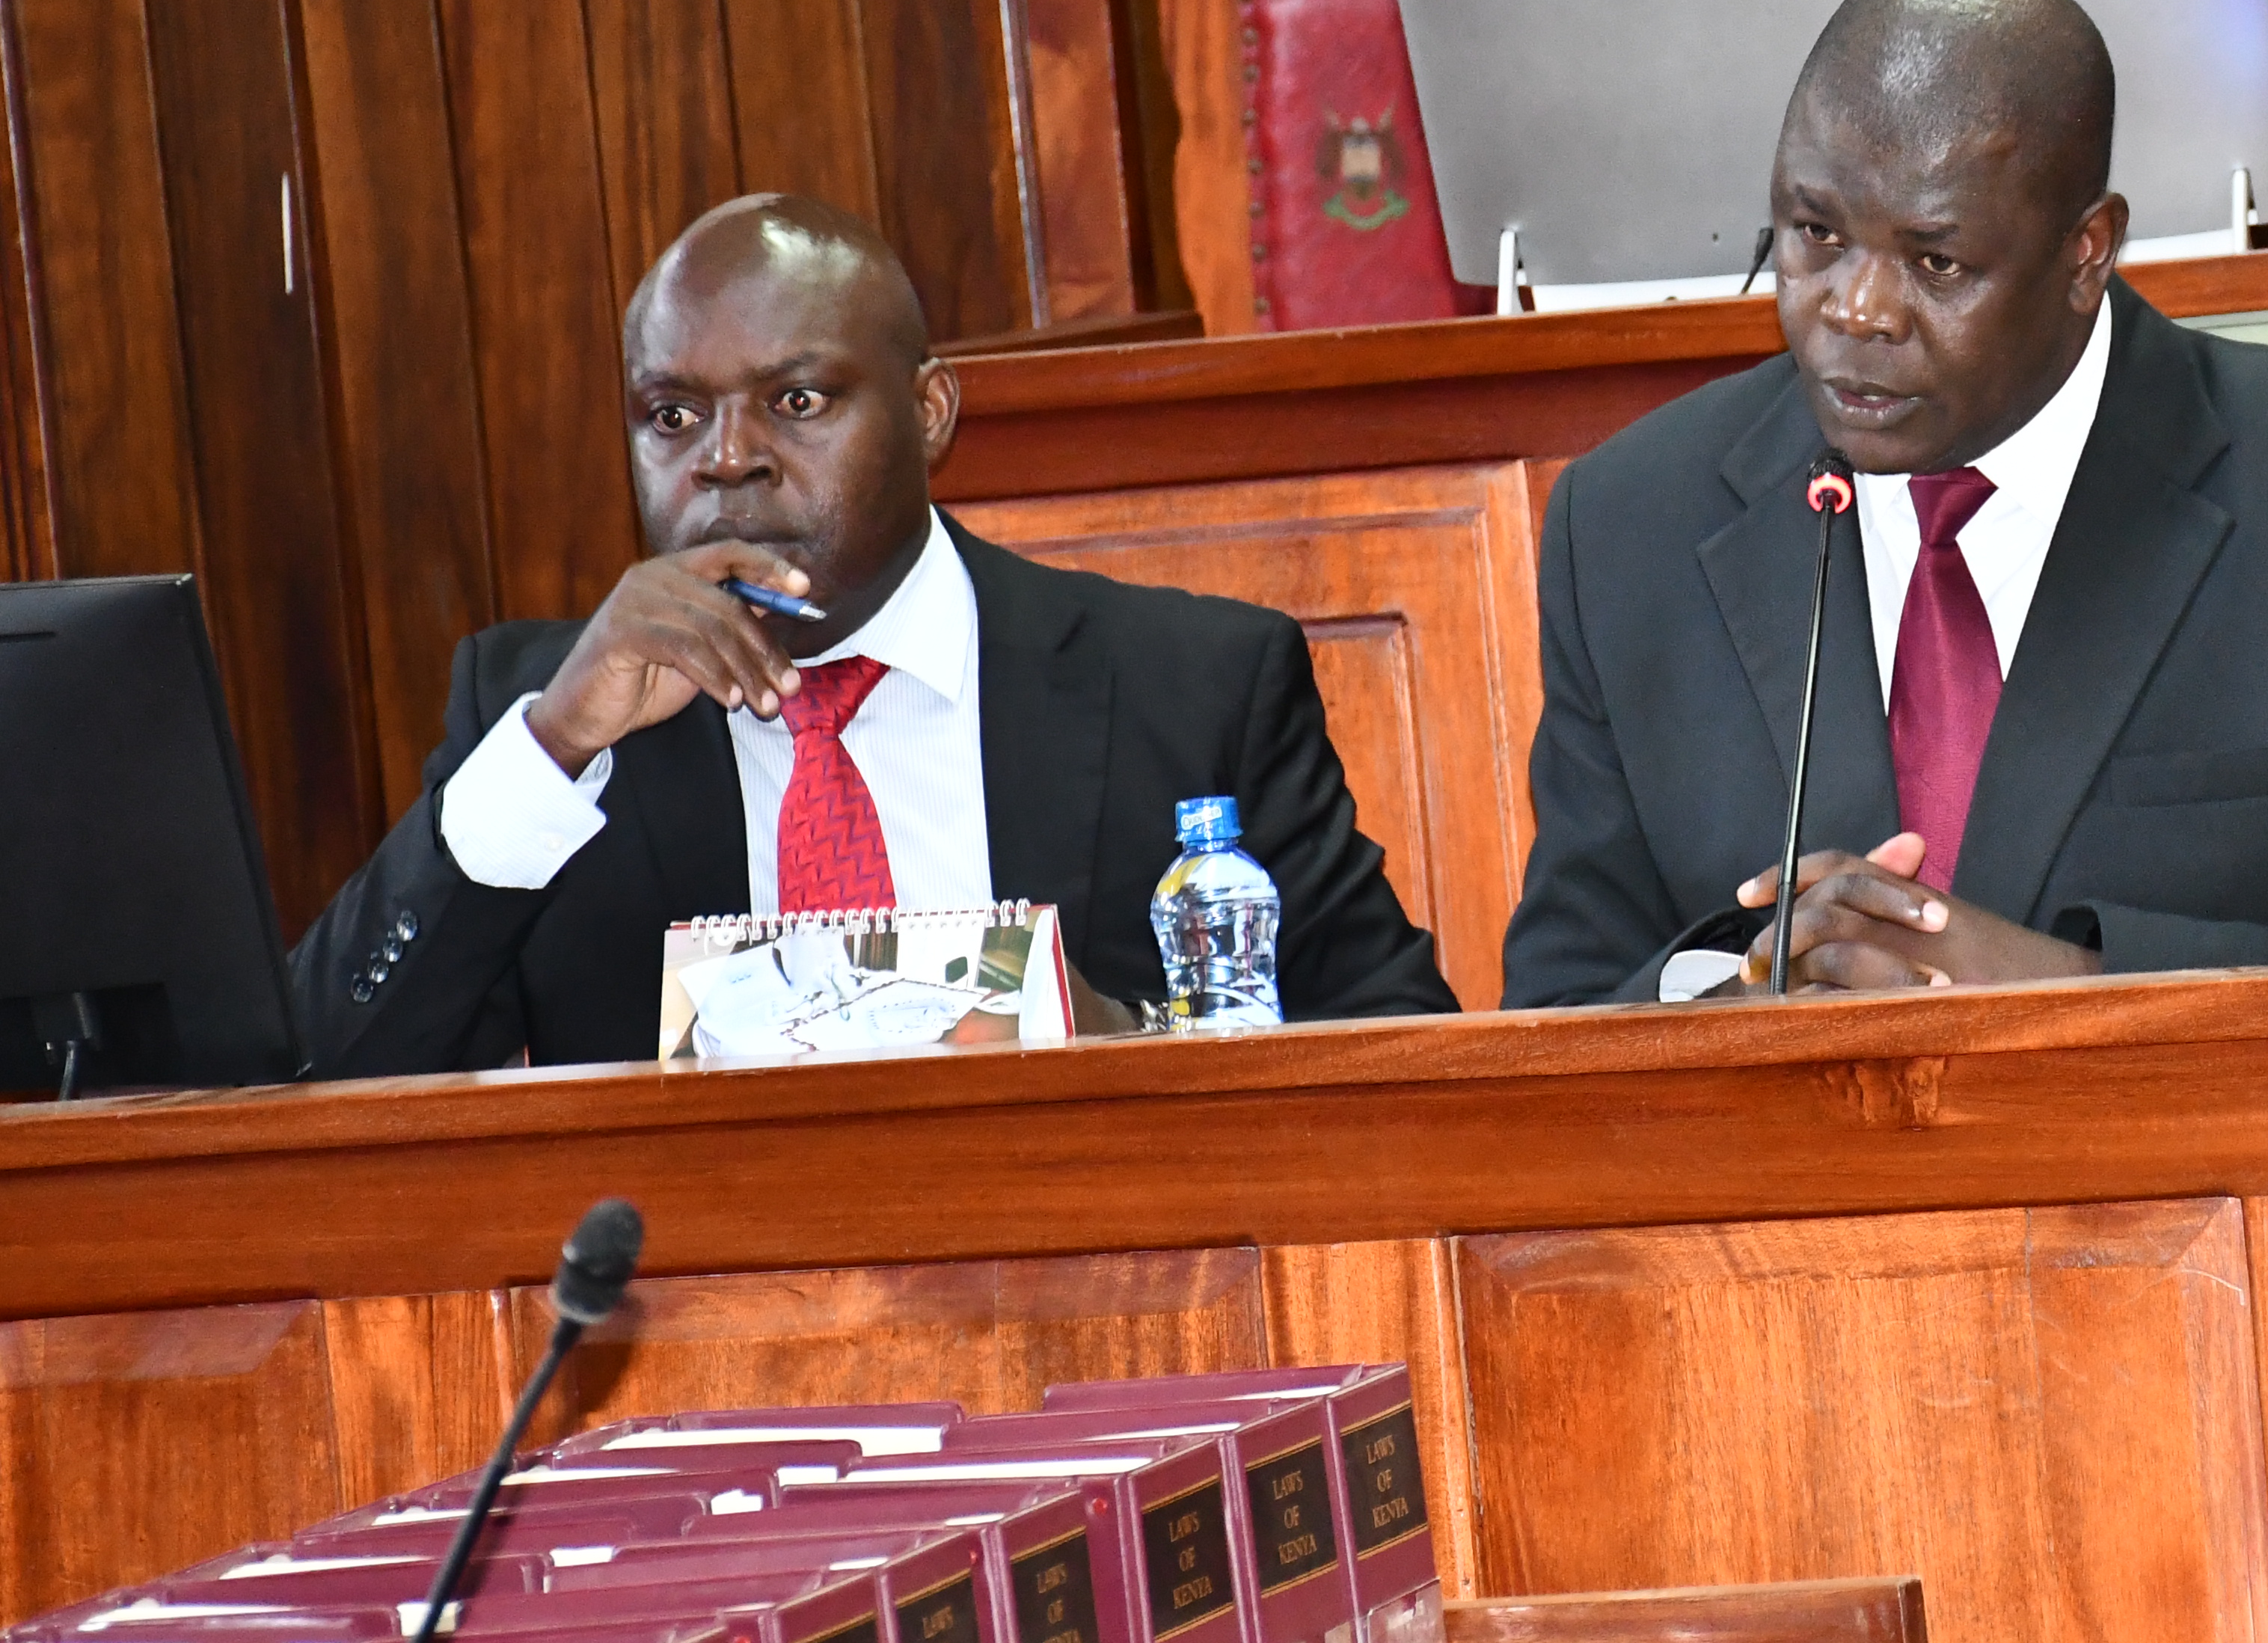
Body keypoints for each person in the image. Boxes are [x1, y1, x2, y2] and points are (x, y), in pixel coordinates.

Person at [1504, 0, 2268, 1004]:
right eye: (1816, 234)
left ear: (2087, 253)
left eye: (1936, 262)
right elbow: (1557, 1019)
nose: (1855, 309)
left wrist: (2078, 989)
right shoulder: (1630, 525)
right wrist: (1746, 1014)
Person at [291, 195, 1455, 1073]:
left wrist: (1140, 1044)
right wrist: (551, 749)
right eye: (672, 415)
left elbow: (1400, 1054)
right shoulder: (550, 720)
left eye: (796, 402)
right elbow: (323, 1076)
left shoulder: (1189, 687)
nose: (726, 456)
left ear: (930, 413)